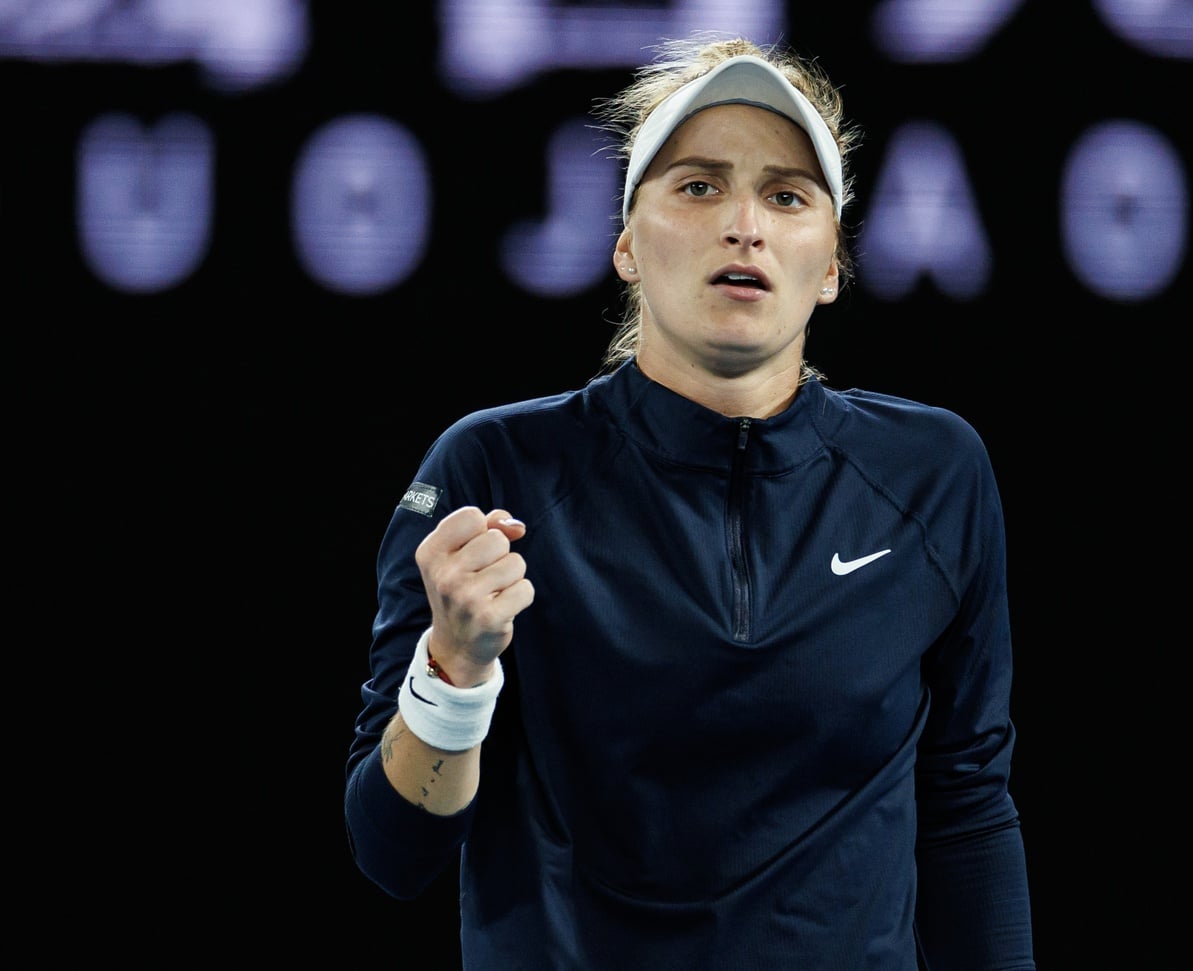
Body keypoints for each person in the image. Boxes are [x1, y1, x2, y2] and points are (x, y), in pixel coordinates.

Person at [344, 34, 1036, 970]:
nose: (743, 225)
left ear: (830, 265)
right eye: (698, 186)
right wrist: (455, 672)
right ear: (626, 244)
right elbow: (393, 853)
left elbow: (965, 809)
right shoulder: (491, 467)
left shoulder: (933, 470)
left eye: (786, 195)